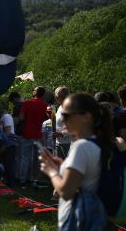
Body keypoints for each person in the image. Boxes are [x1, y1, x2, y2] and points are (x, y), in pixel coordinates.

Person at [39, 93, 113, 229]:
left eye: (67, 115)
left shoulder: (81, 147)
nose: (62, 118)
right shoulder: (99, 143)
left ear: (86, 117)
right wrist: (62, 166)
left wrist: (52, 171)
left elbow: (66, 191)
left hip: (78, 219)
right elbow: (88, 174)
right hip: (94, 216)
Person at [18, 86, 48, 189]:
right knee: (37, 159)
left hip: (27, 134)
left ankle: (22, 181)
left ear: (35, 93)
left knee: (25, 158)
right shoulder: (45, 105)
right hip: (38, 135)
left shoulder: (27, 103)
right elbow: (46, 119)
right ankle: (35, 180)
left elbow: (21, 118)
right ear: (43, 95)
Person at [54, 86, 72, 159]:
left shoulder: (69, 108)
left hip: (67, 143)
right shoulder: (60, 107)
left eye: (64, 96)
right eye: (58, 96)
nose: (57, 98)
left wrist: (60, 133)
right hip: (59, 142)